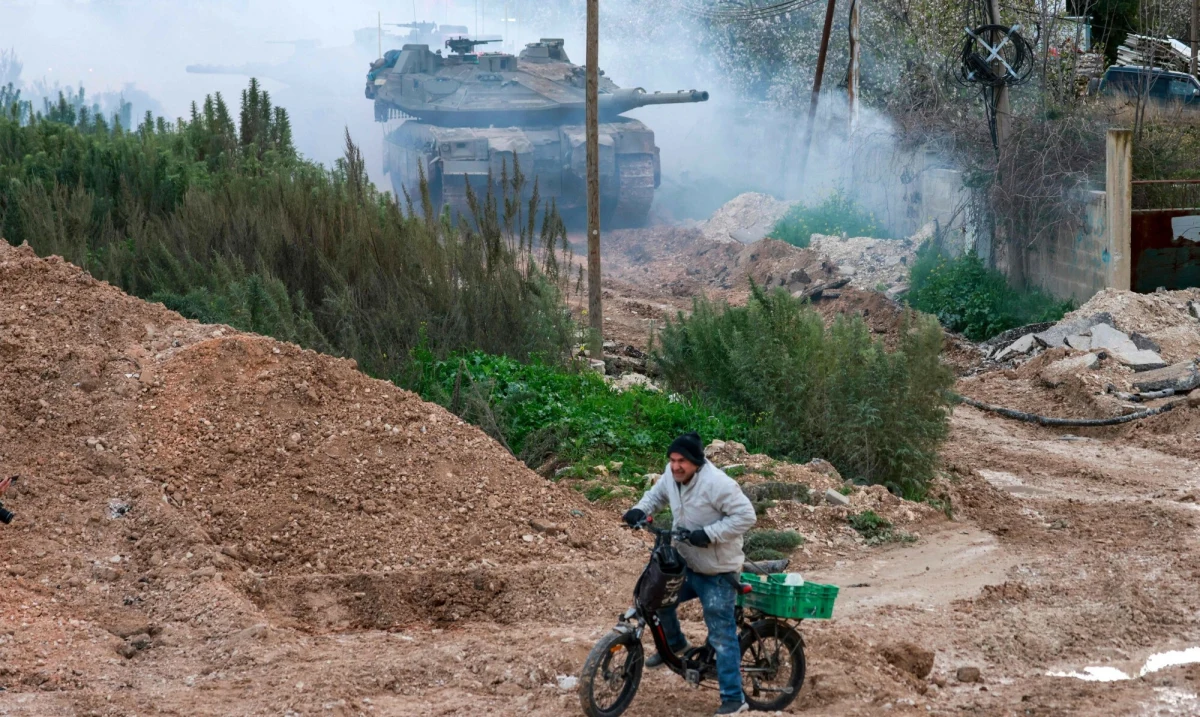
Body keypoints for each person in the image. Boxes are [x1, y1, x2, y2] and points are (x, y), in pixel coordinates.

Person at [622, 431, 757, 716]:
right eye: (672, 460)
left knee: (721, 633)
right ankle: (675, 645)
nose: (675, 466)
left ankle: (735, 698)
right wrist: (638, 510)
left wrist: (708, 534)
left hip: (717, 571)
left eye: (682, 460)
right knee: (654, 599)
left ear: (696, 461)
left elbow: (746, 516)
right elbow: (655, 496)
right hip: (685, 563)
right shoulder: (672, 476)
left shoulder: (719, 484)